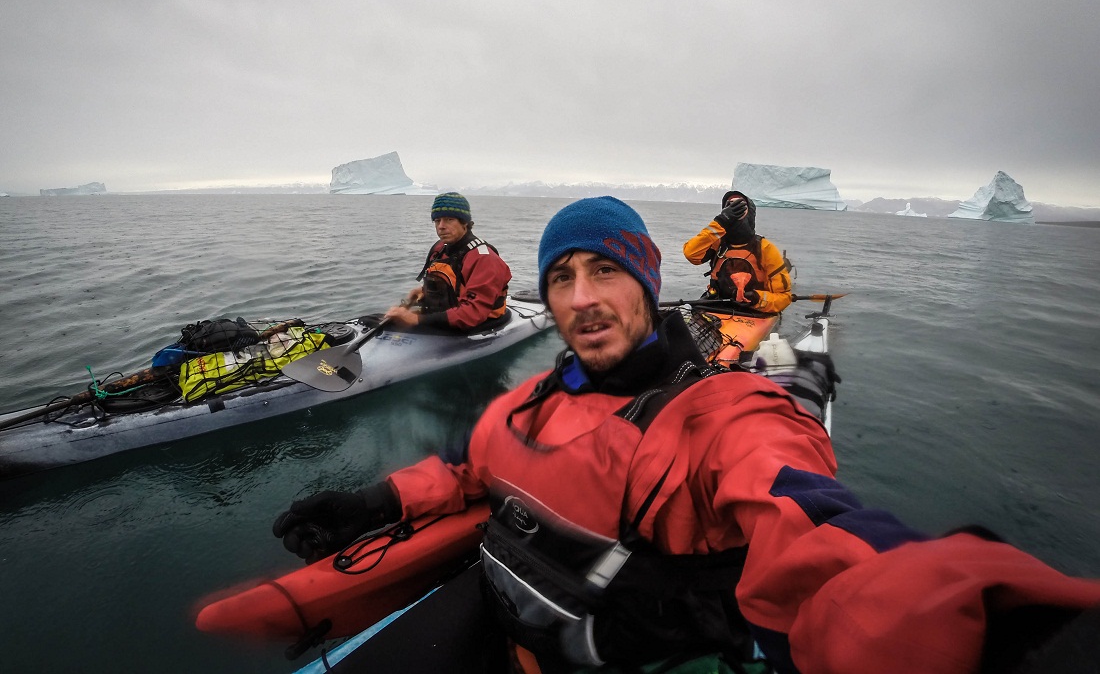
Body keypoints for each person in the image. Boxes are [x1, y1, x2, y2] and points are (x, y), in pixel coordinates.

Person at [274, 197, 1100, 674]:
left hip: (598, 634)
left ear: (641, 286)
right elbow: (476, 467)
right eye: (562, 276)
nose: (582, 295)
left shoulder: (725, 414)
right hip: (508, 609)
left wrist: (945, 615)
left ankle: (800, 363)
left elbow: (808, 526)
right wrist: (375, 497)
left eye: (606, 272)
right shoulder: (535, 400)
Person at [383, 192, 512, 333]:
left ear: (465, 223)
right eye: (437, 221)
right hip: (448, 315)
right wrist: (423, 290)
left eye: (449, 219)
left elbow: (474, 313)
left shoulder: (485, 259)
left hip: (479, 323)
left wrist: (416, 319)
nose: (441, 226)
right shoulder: (440, 249)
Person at [683, 190, 793, 313]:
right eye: (730, 205)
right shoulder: (718, 243)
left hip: (753, 310)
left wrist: (757, 299)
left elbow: (784, 297)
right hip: (716, 304)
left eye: (741, 206)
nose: (735, 209)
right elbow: (691, 254)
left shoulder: (765, 249)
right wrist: (720, 222)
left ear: (750, 212)